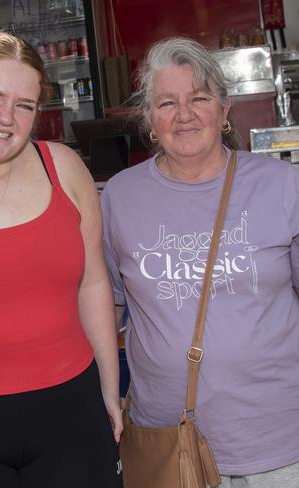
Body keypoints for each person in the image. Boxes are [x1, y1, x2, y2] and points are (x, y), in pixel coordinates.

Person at [100, 37, 299, 486]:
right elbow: (106, 304)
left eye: (200, 99)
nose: (184, 114)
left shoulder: (282, 186)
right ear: (150, 118)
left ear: (225, 112)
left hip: (279, 442)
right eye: (167, 102)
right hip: (169, 442)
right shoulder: (120, 197)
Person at [0, 32, 123, 487]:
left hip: (72, 411)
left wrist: (109, 392)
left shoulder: (64, 167)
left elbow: (93, 283)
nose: (5, 117)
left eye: (24, 104)